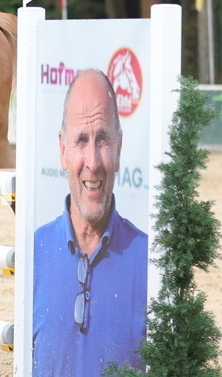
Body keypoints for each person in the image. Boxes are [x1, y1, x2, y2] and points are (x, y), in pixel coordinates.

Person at [32, 68, 148, 375]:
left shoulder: (151, 261)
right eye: (81, 140)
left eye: (103, 140)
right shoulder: (31, 254)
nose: (93, 163)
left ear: (119, 149)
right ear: (62, 150)